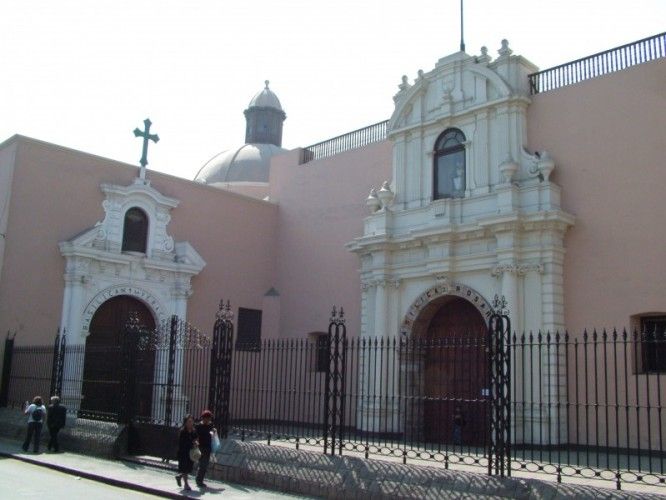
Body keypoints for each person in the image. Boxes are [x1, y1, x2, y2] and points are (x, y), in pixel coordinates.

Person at [175, 414, 198, 491]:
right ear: (185, 422)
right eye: (189, 421)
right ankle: (186, 484)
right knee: (184, 468)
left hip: (191, 453)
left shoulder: (194, 431)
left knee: (188, 468)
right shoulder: (182, 431)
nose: (191, 423)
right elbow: (182, 443)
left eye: (192, 421)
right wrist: (192, 443)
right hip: (183, 453)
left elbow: (196, 439)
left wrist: (196, 443)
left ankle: (179, 476)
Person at [194, 410, 216, 488]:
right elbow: (195, 436)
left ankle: (199, 480)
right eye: (207, 418)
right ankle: (199, 480)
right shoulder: (198, 426)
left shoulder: (211, 425)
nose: (208, 420)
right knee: (202, 464)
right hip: (200, 447)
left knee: (204, 464)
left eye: (209, 418)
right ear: (203, 418)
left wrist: (214, 431)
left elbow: (213, 433)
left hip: (207, 447)